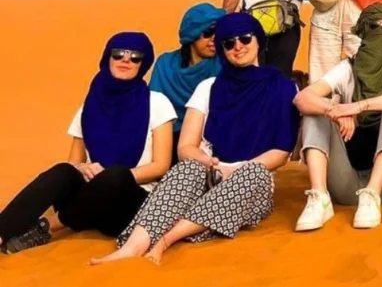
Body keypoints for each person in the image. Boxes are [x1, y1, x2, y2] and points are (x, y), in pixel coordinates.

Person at [91, 14, 300, 266]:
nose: (238, 47)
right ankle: (134, 245)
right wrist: (211, 164)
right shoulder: (209, 87)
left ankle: (166, 239)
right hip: (207, 172)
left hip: (250, 184)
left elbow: (281, 151)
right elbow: (186, 147)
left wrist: (233, 170)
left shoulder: (283, 88)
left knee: (254, 174)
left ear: (258, 42)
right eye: (228, 43)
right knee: (188, 167)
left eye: (245, 38)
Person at [0, 33, 174, 255]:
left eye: (135, 57)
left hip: (128, 204)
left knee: (117, 175)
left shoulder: (157, 103)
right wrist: (84, 168)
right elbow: (75, 163)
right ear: (107, 58)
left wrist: (111, 177)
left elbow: (160, 166)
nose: (125, 60)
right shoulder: (90, 106)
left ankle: (45, 228)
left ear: (143, 64)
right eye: (118, 54)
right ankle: (2, 231)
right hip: (87, 200)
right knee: (62, 171)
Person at [293, 5, 382, 231]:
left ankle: (372, 194)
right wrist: (333, 111)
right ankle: (320, 197)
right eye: (373, 25)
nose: (381, 31)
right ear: (363, 30)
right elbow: (303, 97)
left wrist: (356, 107)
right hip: (345, 185)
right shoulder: (347, 69)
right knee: (316, 111)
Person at [150, 3, 226, 154]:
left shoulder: (224, 65)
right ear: (192, 34)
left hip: (208, 140)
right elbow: (154, 106)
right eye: (208, 33)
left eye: (219, 34)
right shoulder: (166, 64)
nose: (214, 40)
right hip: (166, 135)